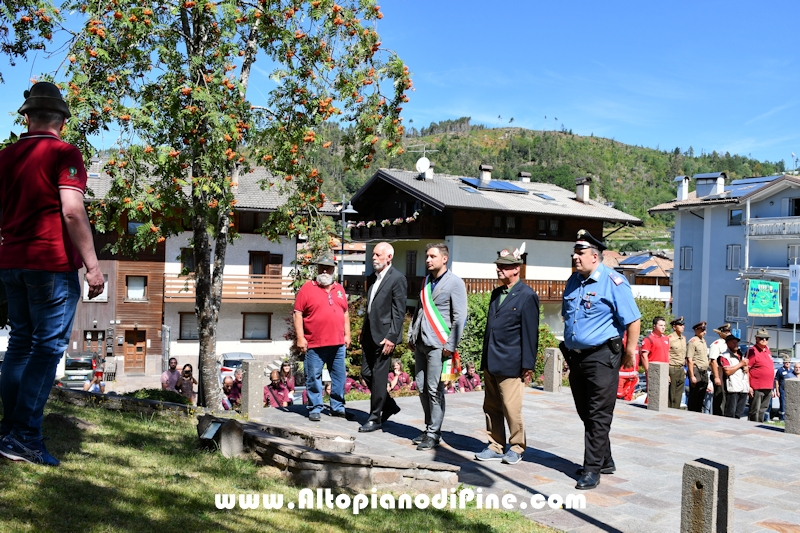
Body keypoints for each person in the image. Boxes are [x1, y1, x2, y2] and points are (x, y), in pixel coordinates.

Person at [0, 82, 105, 467]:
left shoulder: (6, 157)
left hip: (11, 261)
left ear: (27, 118)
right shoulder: (64, 153)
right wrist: (92, 266)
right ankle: (25, 436)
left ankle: (9, 429)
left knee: (20, 345)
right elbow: (73, 210)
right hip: (50, 265)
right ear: (61, 120)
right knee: (46, 349)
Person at [560, 229, 641, 490]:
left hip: (603, 357)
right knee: (586, 412)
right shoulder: (573, 281)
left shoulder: (614, 281)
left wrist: (629, 354)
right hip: (577, 358)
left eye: (580, 253)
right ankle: (604, 459)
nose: (575, 257)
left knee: (598, 414)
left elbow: (633, 320)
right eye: (574, 252)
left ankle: (592, 469)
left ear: (595, 256)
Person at [474, 246, 538, 466]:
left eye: (504, 266)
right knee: (491, 407)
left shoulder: (527, 295)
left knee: (512, 408)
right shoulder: (496, 293)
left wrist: (528, 364)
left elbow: (530, 333)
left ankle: (517, 447)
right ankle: (495, 445)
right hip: (491, 361)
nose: (499, 269)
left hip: (511, 363)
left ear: (516, 269)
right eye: (498, 266)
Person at [407, 242, 468, 451]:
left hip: (438, 345)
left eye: (432, 256)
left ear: (444, 258)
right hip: (421, 342)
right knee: (421, 386)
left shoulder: (455, 283)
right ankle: (428, 427)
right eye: (426, 256)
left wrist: (451, 344)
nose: (427, 260)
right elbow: (419, 310)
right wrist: (411, 334)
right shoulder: (426, 281)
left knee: (434, 389)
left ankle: (434, 433)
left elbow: (460, 317)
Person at [294, 254, 351, 422]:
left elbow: (345, 313)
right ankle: (315, 408)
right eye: (321, 267)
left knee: (339, 377)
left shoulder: (339, 289)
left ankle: (337, 407)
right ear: (317, 269)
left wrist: (347, 334)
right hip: (314, 344)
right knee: (313, 377)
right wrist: (300, 338)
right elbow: (298, 314)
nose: (324, 270)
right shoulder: (307, 288)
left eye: (328, 268)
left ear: (334, 269)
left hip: (338, 344)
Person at [358, 242, 407, 433]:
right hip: (370, 334)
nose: (374, 257)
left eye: (378, 255)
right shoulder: (373, 278)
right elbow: (369, 307)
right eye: (373, 254)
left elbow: (399, 311)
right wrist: (364, 328)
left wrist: (392, 337)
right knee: (366, 373)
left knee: (378, 377)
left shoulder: (397, 279)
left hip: (385, 337)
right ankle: (389, 406)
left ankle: (375, 417)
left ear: (389, 257)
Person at [717, 334, 748, 419]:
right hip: (732, 387)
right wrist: (741, 364)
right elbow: (727, 371)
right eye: (733, 343)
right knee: (730, 413)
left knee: (739, 413)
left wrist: (745, 367)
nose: (736, 345)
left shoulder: (741, 355)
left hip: (743, 387)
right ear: (727, 344)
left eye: (737, 343)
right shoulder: (724, 356)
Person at [746, 329, 773, 422]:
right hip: (757, 386)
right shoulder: (752, 351)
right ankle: (752, 429)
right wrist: (749, 386)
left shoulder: (767, 351)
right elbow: (747, 370)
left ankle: (759, 428)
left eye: (766, 338)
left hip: (768, 386)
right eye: (762, 338)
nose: (764, 340)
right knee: (755, 411)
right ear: (756, 339)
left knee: (763, 409)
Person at [686, 322, 710, 413]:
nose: (704, 332)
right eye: (702, 330)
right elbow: (689, 359)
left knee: (701, 394)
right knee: (694, 394)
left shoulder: (703, 341)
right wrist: (692, 375)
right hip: (696, 370)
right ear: (696, 330)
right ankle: (692, 412)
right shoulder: (693, 342)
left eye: (705, 330)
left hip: (704, 370)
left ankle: (698, 412)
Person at [709, 323, 732, 416]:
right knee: (720, 399)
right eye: (726, 332)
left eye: (729, 331)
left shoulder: (729, 344)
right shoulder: (717, 344)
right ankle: (718, 417)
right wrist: (716, 377)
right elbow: (713, 361)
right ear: (720, 333)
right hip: (718, 374)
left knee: (726, 400)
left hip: (727, 374)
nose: (728, 333)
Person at [667, 317, 687, 409]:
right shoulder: (669, 338)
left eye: (683, 325)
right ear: (674, 327)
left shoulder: (683, 338)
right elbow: (666, 355)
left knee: (678, 395)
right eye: (680, 325)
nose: (683, 327)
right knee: (671, 395)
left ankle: (676, 411)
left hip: (681, 368)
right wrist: (667, 373)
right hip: (672, 368)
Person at [775, 355, 794, 421]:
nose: (787, 363)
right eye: (786, 362)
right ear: (783, 363)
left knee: (789, 404)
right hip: (782, 390)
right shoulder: (780, 370)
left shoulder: (792, 370)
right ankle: (782, 418)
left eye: (789, 362)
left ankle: (788, 417)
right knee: (782, 404)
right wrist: (777, 391)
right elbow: (777, 381)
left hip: (790, 390)